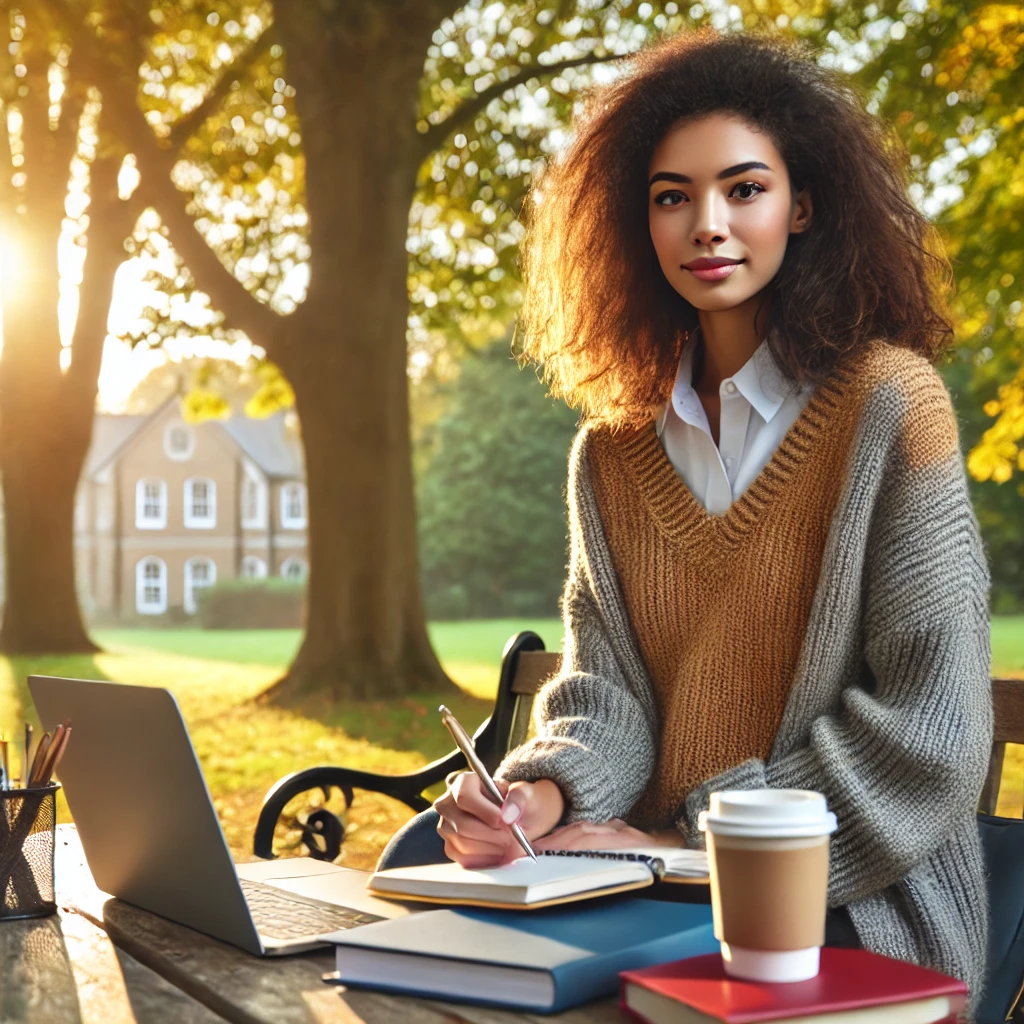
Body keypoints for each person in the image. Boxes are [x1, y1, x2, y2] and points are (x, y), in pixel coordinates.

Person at [379, 26, 993, 1014]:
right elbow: (605, 691)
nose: (707, 223)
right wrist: (541, 794)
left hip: (853, 917)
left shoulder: (890, 405)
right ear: (640, 224)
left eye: (743, 189)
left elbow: (932, 733)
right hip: (643, 895)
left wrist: (691, 836)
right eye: (672, 197)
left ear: (801, 206)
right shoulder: (611, 451)